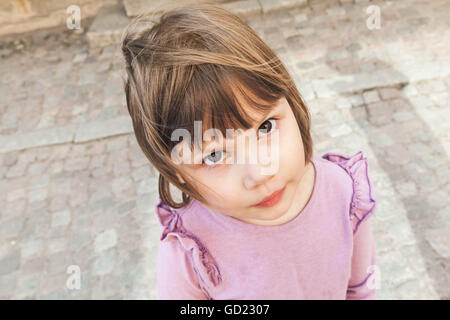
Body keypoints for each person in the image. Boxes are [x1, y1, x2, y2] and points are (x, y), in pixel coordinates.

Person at [121, 3, 377, 300]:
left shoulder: (345, 193)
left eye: (266, 127)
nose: (260, 172)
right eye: (214, 155)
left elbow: (360, 290)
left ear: (291, 102)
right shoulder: (191, 253)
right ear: (178, 173)